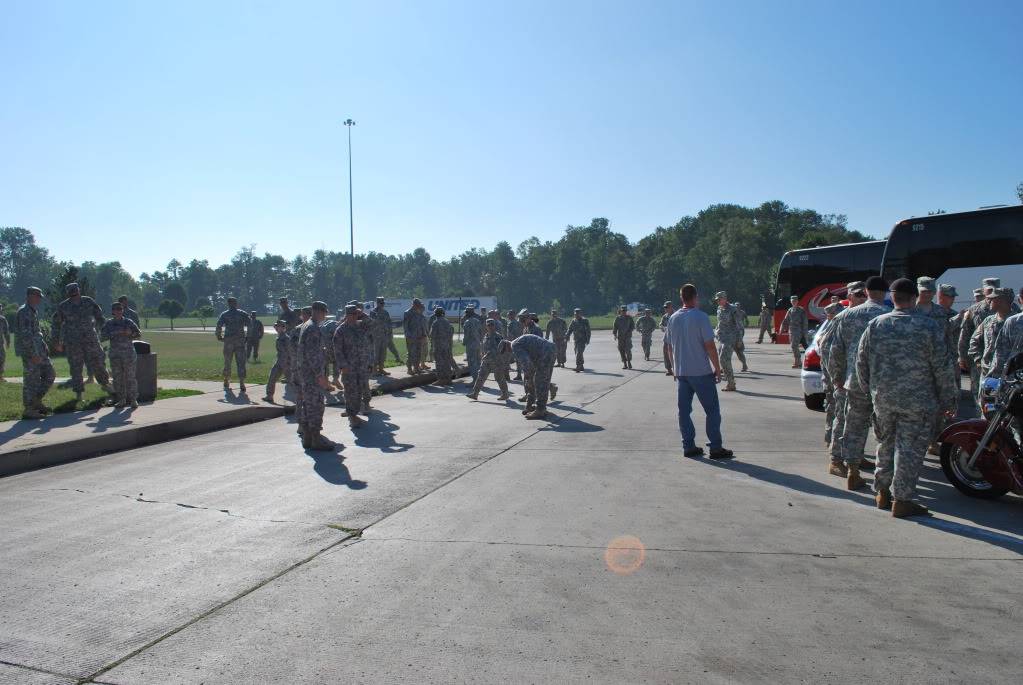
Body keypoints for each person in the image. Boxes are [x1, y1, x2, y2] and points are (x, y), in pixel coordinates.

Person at [857, 278, 955, 518]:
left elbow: (861, 362)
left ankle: (882, 492)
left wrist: (871, 391)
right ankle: (902, 499)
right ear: (913, 298)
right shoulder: (929, 327)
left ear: (893, 298)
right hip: (918, 401)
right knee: (909, 450)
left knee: (885, 444)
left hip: (884, 398)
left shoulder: (876, 325)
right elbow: (943, 368)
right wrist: (948, 400)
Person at [828, 276, 890, 488]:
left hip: (854, 380)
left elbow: (836, 351)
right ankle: (885, 481)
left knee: (853, 425)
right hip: (882, 383)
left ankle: (852, 470)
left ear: (866, 291)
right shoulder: (889, 316)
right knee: (884, 430)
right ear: (885, 292)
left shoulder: (847, 315)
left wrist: (836, 377)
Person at [664, 284, 732, 459]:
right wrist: (717, 368)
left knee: (684, 411)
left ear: (681, 298)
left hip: (682, 373)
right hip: (700, 372)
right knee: (712, 410)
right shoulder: (701, 317)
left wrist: (673, 368)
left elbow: (669, 347)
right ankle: (716, 448)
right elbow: (709, 346)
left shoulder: (672, 319)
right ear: (695, 297)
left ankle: (688, 445)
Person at [820, 281, 867, 469]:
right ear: (849, 297)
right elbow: (826, 347)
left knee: (861, 422)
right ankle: (836, 460)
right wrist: (833, 378)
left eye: (864, 295)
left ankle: (856, 455)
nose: (861, 298)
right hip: (843, 380)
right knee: (841, 418)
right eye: (857, 295)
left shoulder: (870, 315)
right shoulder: (842, 317)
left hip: (861, 381)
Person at [52, 282, 112, 401]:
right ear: (68, 294)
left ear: (79, 290)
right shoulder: (63, 306)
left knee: (99, 361)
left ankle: (106, 385)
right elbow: (56, 324)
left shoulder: (88, 301)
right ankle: (79, 394)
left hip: (91, 339)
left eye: (75, 291)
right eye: (71, 293)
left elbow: (100, 317)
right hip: (73, 342)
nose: (74, 294)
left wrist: (106, 332)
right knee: (76, 367)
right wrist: (56, 341)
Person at [294, 301, 335, 450]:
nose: (325, 315)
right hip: (312, 374)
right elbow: (313, 355)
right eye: (324, 312)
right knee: (316, 405)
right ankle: (316, 438)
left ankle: (308, 438)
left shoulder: (307, 325)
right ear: (318, 311)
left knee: (308, 404)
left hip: (306, 373)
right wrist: (320, 376)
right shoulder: (312, 328)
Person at [16, 287, 56, 419]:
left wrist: (44, 347)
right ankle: (29, 409)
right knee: (31, 381)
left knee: (50, 374)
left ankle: (36, 401)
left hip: (40, 351)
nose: (40, 298)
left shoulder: (33, 311)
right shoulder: (24, 312)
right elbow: (26, 336)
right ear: (30, 296)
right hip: (31, 353)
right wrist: (33, 354)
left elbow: (36, 333)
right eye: (37, 296)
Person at [959, 277, 999, 403]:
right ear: (983, 290)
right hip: (980, 361)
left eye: (995, 289)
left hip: (1002, 361)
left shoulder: (1009, 306)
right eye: (989, 289)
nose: (992, 292)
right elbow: (965, 335)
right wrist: (962, 356)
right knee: (981, 396)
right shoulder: (974, 310)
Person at [333, 304, 374, 428]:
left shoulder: (361, 326)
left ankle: (354, 413)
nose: (357, 316)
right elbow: (337, 350)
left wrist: (363, 314)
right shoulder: (341, 330)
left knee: (361, 389)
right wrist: (342, 365)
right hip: (349, 367)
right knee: (351, 392)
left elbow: (373, 324)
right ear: (348, 315)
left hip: (361, 365)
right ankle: (352, 416)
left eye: (357, 314)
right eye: (355, 314)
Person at [969, 287, 1013, 390]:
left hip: (1009, 377)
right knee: (986, 405)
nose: (989, 301)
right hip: (988, 374)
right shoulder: (988, 321)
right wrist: (979, 361)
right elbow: (974, 341)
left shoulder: (1016, 322)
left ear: (1002, 301)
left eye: (992, 299)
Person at [100, 302, 142, 408]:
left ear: (122, 310)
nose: (118, 311)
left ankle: (133, 400)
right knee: (118, 378)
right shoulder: (109, 324)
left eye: (120, 309)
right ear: (113, 311)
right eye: (116, 309)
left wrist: (130, 334)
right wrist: (114, 333)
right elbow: (102, 337)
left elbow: (139, 334)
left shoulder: (128, 322)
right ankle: (121, 399)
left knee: (130, 377)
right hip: (115, 355)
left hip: (128, 354)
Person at [511, 334, 558, 419]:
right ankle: (541, 408)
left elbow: (526, 363)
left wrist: (528, 378)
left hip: (545, 353)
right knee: (544, 380)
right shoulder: (519, 341)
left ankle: (540, 410)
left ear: (506, 348)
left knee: (539, 381)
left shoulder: (514, 346)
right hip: (551, 349)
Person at [816, 301, 844, 446]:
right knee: (835, 410)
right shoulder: (830, 334)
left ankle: (830, 438)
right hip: (835, 380)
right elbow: (831, 361)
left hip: (832, 380)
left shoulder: (828, 331)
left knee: (833, 410)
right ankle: (832, 441)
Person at [467, 319, 511, 401]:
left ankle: (505, 394)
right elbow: (483, 347)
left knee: (499, 377)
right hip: (486, 361)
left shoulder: (498, 337)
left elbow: (500, 349)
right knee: (481, 376)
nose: (490, 327)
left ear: (494, 326)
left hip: (496, 361)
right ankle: (475, 394)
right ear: (486, 326)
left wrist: (488, 354)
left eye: (492, 325)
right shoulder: (486, 336)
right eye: (488, 325)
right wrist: (482, 354)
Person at [216, 296, 249, 392]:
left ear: (228, 304)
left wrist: (219, 336)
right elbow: (250, 325)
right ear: (236, 303)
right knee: (241, 362)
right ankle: (242, 382)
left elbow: (219, 326)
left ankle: (226, 380)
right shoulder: (242, 313)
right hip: (240, 341)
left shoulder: (224, 314)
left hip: (229, 341)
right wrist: (248, 337)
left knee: (227, 362)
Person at [989, 290, 1023, 379]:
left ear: (1020, 300)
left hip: (1016, 378)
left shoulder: (1013, 321)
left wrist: (996, 377)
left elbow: (1001, 353)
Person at [713, 291, 741, 391]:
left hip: (730, 338)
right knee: (724, 359)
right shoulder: (719, 309)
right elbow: (719, 323)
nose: (718, 301)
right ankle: (731, 382)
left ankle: (731, 383)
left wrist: (739, 340)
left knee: (723, 359)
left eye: (719, 299)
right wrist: (715, 331)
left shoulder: (733, 309)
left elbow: (739, 326)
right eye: (717, 300)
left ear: (725, 298)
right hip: (722, 338)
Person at [262, 320, 291, 403]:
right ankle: (269, 396)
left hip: (286, 363)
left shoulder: (285, 338)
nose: (276, 328)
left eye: (279, 326)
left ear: (283, 328)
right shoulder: (279, 337)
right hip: (280, 362)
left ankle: (302, 398)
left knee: (293, 381)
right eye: (276, 326)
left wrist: (287, 364)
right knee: (272, 378)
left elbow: (289, 352)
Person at [779, 295, 808, 368]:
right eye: (792, 301)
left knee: (794, 346)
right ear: (791, 302)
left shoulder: (801, 310)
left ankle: (797, 362)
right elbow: (785, 320)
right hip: (791, 331)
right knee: (793, 347)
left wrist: (804, 333)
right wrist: (781, 329)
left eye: (795, 301)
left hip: (798, 330)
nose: (793, 302)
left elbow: (805, 322)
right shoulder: (790, 310)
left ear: (797, 301)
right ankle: (798, 362)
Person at [429, 306, 456, 385]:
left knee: (439, 362)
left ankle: (441, 379)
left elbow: (432, 335)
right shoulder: (447, 322)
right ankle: (448, 378)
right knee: (446, 362)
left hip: (438, 345)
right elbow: (451, 332)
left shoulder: (436, 322)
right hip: (446, 345)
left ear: (435, 314)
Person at [402, 298, 429, 375]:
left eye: (419, 305)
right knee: (411, 353)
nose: (418, 307)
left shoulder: (418, 312)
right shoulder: (407, 313)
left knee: (418, 353)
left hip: (419, 336)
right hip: (411, 337)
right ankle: (409, 369)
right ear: (413, 304)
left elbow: (421, 324)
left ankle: (416, 368)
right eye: (417, 305)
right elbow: (405, 326)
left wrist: (424, 334)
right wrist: (408, 336)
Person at [369, 297, 394, 376]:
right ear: (377, 303)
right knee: (376, 353)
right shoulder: (373, 312)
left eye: (383, 303)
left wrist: (390, 334)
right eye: (381, 303)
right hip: (376, 336)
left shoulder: (385, 312)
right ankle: (374, 370)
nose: (382, 304)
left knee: (383, 353)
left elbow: (389, 324)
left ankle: (381, 369)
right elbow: (371, 323)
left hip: (384, 336)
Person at [462, 305, 484, 380]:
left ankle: (475, 380)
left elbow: (466, 335)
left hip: (471, 345)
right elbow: (481, 332)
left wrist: (464, 342)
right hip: (478, 344)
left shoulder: (467, 322)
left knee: (472, 363)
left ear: (468, 313)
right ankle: (479, 378)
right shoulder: (477, 321)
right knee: (478, 362)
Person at [566, 308, 591, 372]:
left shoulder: (585, 320)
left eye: (578, 314)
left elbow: (588, 331)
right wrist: (567, 335)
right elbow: (570, 329)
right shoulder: (573, 321)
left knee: (579, 352)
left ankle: (578, 366)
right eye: (575, 314)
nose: (576, 315)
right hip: (576, 340)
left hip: (583, 340)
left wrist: (588, 339)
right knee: (577, 352)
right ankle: (581, 366)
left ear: (580, 314)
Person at [733, 302, 749, 372]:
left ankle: (744, 365)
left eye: (738, 306)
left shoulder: (742, 313)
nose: (737, 307)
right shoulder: (731, 313)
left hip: (739, 333)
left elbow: (746, 319)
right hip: (730, 336)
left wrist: (740, 340)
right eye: (735, 306)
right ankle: (724, 367)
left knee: (739, 351)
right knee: (725, 352)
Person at [660, 301, 675, 375]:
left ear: (671, 307)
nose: (665, 309)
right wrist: (663, 327)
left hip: (676, 336)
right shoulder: (665, 316)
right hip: (667, 337)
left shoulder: (676, 315)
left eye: (667, 307)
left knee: (676, 352)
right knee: (665, 350)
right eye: (665, 307)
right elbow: (661, 324)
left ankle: (677, 368)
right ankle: (669, 369)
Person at [0, 304, 9, 381]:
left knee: (2, 359)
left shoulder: (3, 319)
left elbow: (6, 332)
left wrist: (8, 341)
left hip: (0, 343)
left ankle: (0, 376)